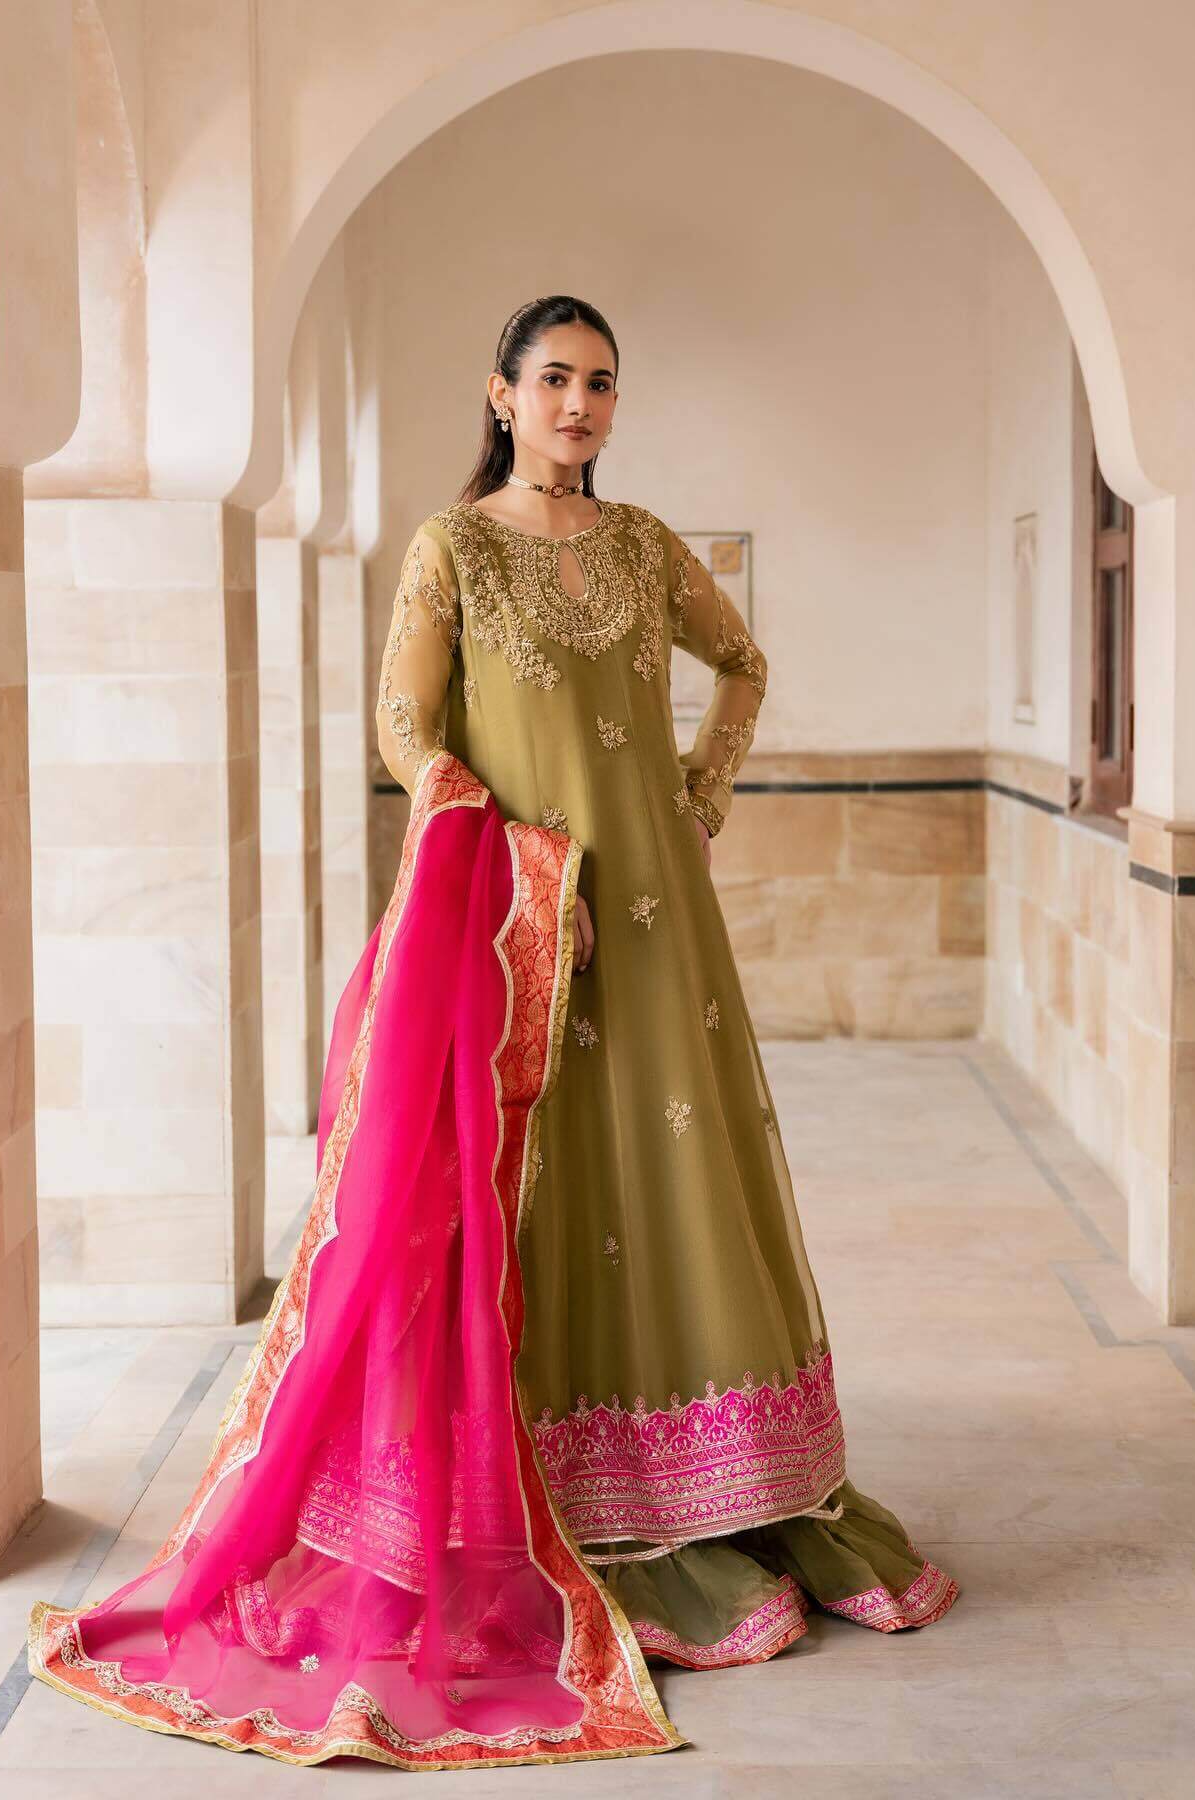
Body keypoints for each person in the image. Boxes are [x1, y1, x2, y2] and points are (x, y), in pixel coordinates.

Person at [377, 295, 959, 1666]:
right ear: (502, 396)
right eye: (556, 379)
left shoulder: (641, 547)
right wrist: (521, 873)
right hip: (528, 926)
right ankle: (575, 1500)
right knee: (557, 1179)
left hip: (656, 921)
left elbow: (743, 663)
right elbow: (406, 726)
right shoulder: (451, 546)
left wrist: (700, 793)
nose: (580, 404)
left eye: (604, 384)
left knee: (679, 1165)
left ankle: (727, 1491)